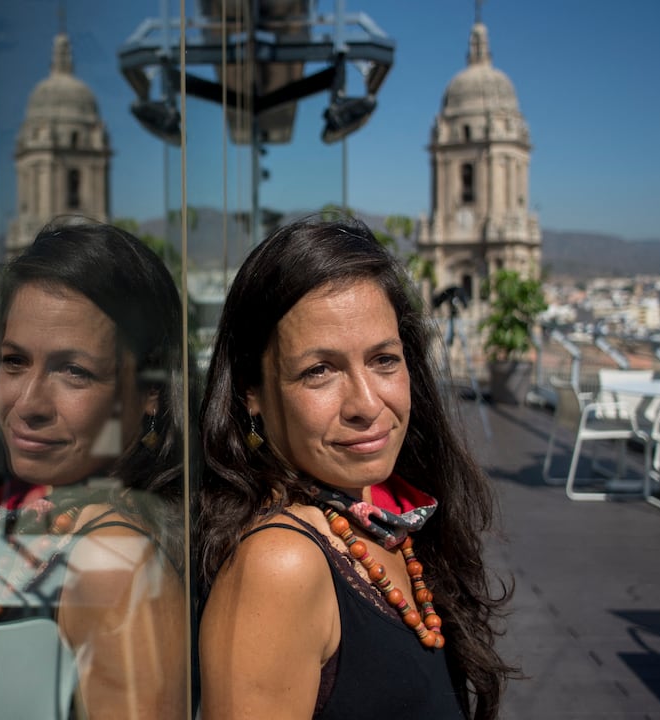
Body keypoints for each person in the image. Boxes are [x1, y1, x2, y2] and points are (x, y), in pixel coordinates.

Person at [196, 218, 514, 719]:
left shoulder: (385, 520)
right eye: (319, 371)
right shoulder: (280, 566)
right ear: (251, 393)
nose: (366, 404)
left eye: (384, 360)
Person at [0, 220, 188, 719]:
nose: (28, 403)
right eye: (14, 361)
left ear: (150, 391)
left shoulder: (111, 561)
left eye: (74, 371)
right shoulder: (63, 519)